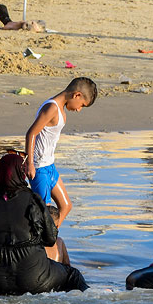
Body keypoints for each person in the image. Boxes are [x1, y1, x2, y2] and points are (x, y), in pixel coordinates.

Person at [0, 153, 89, 296]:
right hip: (35, 277)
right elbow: (51, 239)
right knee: (73, 275)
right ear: (22, 173)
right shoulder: (34, 200)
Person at [25, 77, 97, 228]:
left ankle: (50, 238)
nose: (79, 109)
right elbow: (31, 134)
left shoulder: (60, 108)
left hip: (50, 166)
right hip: (39, 168)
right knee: (44, 212)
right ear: (76, 95)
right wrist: (30, 164)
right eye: (81, 105)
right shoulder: (51, 108)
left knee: (66, 206)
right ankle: (43, 245)